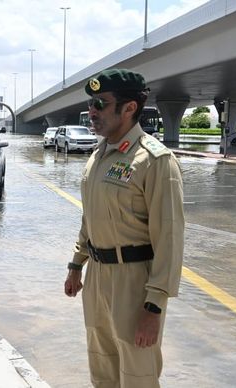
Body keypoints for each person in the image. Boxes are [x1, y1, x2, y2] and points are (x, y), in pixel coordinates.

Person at [64, 68, 184, 388]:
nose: (92, 111)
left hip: (135, 280)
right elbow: (90, 217)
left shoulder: (155, 161)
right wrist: (76, 265)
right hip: (97, 277)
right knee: (102, 369)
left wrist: (154, 306)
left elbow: (169, 239)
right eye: (91, 104)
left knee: (137, 375)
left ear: (129, 108)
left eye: (101, 103)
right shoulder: (98, 156)